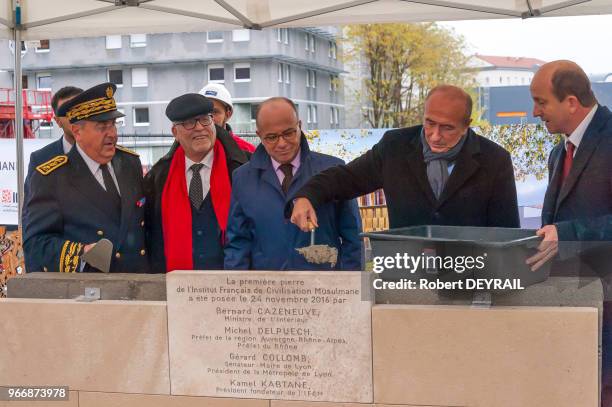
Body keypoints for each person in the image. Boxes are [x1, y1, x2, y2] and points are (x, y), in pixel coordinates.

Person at [289, 85, 520, 232]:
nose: (435, 136)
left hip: (471, 283)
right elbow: (346, 178)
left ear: (466, 125)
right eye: (429, 123)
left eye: (447, 128)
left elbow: (506, 233)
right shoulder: (394, 147)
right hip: (406, 277)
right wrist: (306, 195)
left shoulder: (495, 161)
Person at [526, 60, 612, 403]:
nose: (534, 112)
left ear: (572, 101)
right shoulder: (557, 153)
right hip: (570, 306)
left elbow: (567, 228)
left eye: (541, 101)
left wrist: (568, 232)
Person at [23, 82, 148, 273]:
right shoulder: (51, 177)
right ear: (77, 131)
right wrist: (82, 253)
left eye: (113, 124)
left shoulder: (130, 163)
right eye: (102, 127)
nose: (112, 134)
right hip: (89, 292)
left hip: (138, 285)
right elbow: (35, 243)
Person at [224, 97, 362, 270]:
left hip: (324, 290)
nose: (282, 143)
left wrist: (352, 287)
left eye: (289, 133)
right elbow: (238, 243)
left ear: (300, 126)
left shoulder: (333, 170)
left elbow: (353, 237)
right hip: (266, 290)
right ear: (259, 135)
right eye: (272, 137)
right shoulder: (243, 178)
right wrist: (236, 289)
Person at [144, 93, 250, 273]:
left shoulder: (243, 169)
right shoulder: (158, 177)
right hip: (176, 287)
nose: (199, 128)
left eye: (205, 119)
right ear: (175, 132)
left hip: (235, 287)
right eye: (189, 123)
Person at [27, 86, 83, 174]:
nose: (76, 117)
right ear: (58, 121)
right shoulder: (40, 160)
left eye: (80, 110)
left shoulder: (106, 152)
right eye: (68, 113)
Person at [199, 83, 255, 153]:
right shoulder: (188, 148)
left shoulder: (246, 150)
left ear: (228, 114)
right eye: (203, 112)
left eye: (214, 112)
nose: (208, 118)